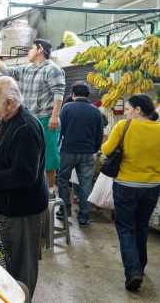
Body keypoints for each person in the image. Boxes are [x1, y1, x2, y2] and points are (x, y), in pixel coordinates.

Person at [0, 76, 48, 299]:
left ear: (9, 103)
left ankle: (22, 298)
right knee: (8, 263)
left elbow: (24, 175)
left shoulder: (25, 128)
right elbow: (0, 151)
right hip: (7, 207)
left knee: (22, 267)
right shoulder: (6, 120)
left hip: (21, 211)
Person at [0, 39, 65, 199]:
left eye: (31, 48)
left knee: (48, 158)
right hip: (26, 119)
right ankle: (30, 189)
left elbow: (58, 92)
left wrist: (55, 116)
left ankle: (49, 192)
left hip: (45, 119)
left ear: (41, 50)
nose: (28, 51)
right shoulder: (27, 69)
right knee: (25, 158)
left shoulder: (53, 69)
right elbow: (7, 71)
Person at [102, 94, 160, 290]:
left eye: (127, 109)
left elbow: (107, 150)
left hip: (126, 186)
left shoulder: (123, 126)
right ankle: (140, 268)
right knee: (141, 227)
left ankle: (133, 271)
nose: (126, 113)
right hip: (152, 187)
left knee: (126, 228)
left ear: (138, 110)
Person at [57, 81, 104, 228]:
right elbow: (99, 135)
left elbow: (60, 130)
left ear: (73, 94)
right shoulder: (96, 111)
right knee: (85, 185)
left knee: (63, 180)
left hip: (68, 151)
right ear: (88, 95)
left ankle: (65, 210)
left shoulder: (67, 107)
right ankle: (83, 217)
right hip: (87, 153)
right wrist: (93, 149)